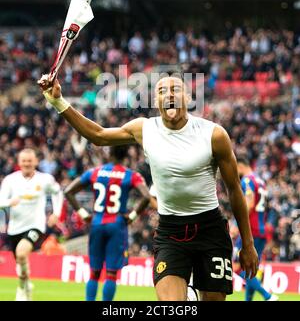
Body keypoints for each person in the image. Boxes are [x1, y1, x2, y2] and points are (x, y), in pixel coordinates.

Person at [38, 74, 258, 301]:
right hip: (171, 232)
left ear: (188, 97)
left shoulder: (214, 134)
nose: (169, 94)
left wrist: (248, 244)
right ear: (156, 101)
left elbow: (234, 190)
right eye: (162, 91)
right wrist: (58, 102)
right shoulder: (144, 129)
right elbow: (98, 135)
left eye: (175, 89)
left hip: (210, 229)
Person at [64, 145, 150, 301]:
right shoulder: (131, 175)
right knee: (111, 273)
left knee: (94, 272)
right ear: (126, 157)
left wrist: (83, 213)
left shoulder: (94, 172)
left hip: (97, 222)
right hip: (117, 224)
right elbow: (146, 196)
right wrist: (132, 215)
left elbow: (68, 191)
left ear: (109, 154)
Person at [0, 148, 63, 301]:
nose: (27, 163)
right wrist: (10, 202)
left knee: (22, 253)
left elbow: (58, 192)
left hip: (36, 225)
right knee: (20, 260)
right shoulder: (10, 180)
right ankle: (26, 282)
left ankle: (22, 288)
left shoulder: (45, 179)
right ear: (19, 162)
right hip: (15, 228)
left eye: (30, 161)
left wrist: (56, 213)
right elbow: (1, 201)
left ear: (35, 161)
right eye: (24, 161)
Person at [236, 156, 279, 301]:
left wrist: (237, 225)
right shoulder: (260, 181)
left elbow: (249, 202)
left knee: (236, 266)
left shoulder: (247, 180)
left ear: (240, 166)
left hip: (249, 231)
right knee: (251, 268)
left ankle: (267, 296)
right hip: (261, 230)